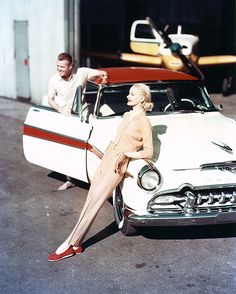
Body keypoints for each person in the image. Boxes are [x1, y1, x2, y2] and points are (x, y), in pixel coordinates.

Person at [48, 83, 154, 261]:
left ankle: (71, 244)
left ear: (142, 98)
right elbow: (118, 138)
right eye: (129, 93)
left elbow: (149, 152)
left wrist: (127, 154)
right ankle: (75, 244)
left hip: (118, 163)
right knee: (89, 200)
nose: (128, 96)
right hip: (108, 156)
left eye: (132, 94)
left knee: (96, 203)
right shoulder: (127, 115)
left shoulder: (144, 122)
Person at [48, 52, 108, 190]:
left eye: (62, 67)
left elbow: (101, 73)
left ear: (71, 66)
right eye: (57, 66)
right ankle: (70, 180)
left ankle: (93, 178)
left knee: (89, 147)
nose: (59, 69)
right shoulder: (53, 80)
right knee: (67, 150)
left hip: (83, 117)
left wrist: (103, 77)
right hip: (67, 119)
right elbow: (50, 100)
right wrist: (61, 110)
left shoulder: (82, 73)